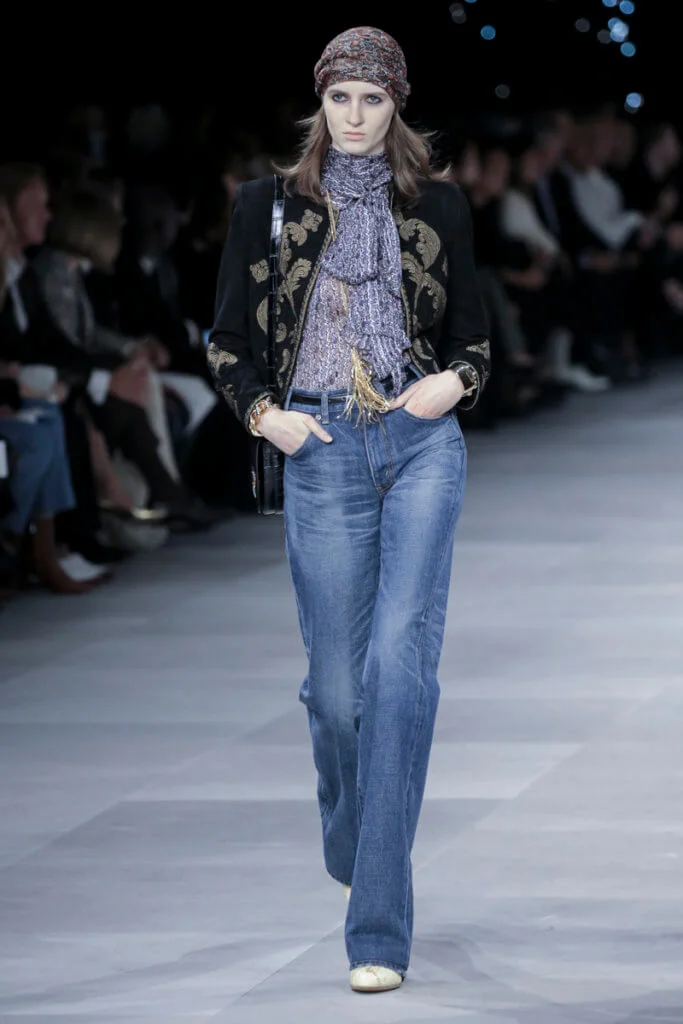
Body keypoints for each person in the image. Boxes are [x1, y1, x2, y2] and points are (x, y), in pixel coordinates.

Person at [208, 27, 490, 994]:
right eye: (341, 99)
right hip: (320, 446)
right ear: (319, 104)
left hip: (417, 443)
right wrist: (265, 417)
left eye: (373, 99)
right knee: (336, 694)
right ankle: (356, 839)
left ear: (395, 104)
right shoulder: (265, 206)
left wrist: (453, 384)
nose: (356, 116)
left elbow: (473, 337)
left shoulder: (438, 204)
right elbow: (226, 338)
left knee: (398, 675)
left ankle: (376, 927)